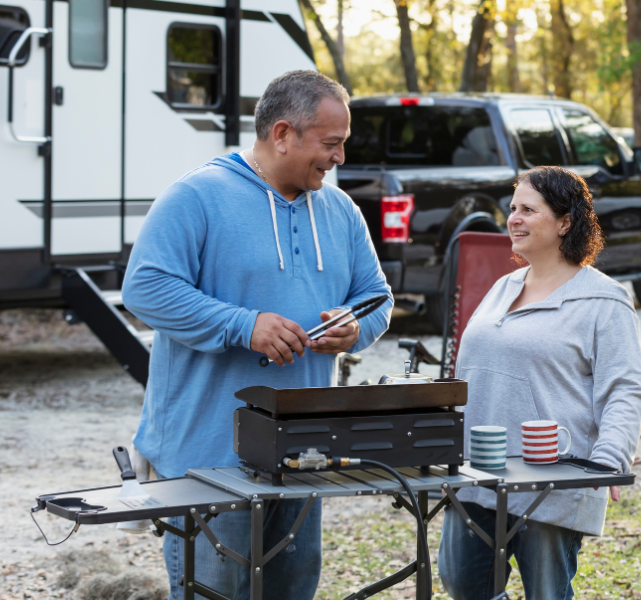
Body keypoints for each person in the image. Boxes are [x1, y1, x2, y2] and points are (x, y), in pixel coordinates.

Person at [122, 70, 392, 600]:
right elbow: (145, 288)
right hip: (208, 459)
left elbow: (377, 298)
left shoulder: (340, 210)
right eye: (330, 144)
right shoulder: (197, 196)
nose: (339, 158)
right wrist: (243, 325)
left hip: (305, 457)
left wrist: (355, 328)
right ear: (283, 133)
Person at [438, 166, 641, 599]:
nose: (513, 218)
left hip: (552, 478)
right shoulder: (502, 287)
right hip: (479, 471)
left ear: (565, 221)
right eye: (512, 208)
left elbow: (624, 388)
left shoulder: (604, 300)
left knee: (547, 593)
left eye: (528, 210)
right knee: (462, 583)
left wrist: (609, 459)